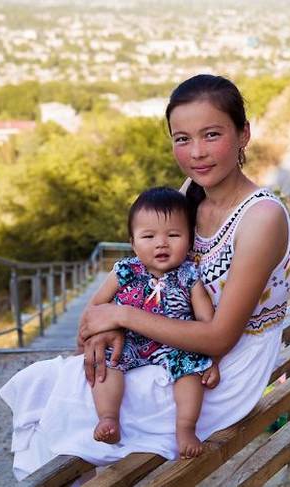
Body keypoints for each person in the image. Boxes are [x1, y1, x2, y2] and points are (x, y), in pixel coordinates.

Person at [0, 74, 290, 480]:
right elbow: (156, 270)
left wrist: (121, 317)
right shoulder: (193, 190)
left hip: (226, 365)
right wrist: (108, 329)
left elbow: (221, 337)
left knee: (74, 391)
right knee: (76, 372)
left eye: (211, 135)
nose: (196, 153)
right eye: (181, 139)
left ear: (244, 133)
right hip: (174, 338)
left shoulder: (262, 217)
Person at [89, 186, 220, 459]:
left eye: (173, 235)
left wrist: (213, 361)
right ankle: (108, 417)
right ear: (133, 242)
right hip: (131, 340)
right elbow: (96, 306)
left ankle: (185, 428)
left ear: (189, 239)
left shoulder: (189, 275)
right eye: (148, 236)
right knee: (109, 364)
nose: (162, 243)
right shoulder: (125, 271)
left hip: (176, 343)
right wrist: (107, 329)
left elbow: (208, 322)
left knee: (190, 371)